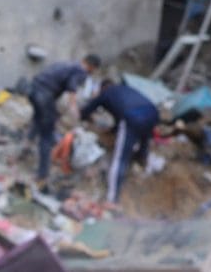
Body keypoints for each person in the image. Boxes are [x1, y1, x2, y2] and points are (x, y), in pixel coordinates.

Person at [19, 55, 99, 190]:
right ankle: (42, 176)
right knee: (47, 135)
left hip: (33, 89)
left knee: (39, 119)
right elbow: (72, 89)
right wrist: (74, 111)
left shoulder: (66, 62)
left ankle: (25, 148)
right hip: (45, 95)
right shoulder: (81, 70)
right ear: (92, 66)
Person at [79, 78, 160, 204]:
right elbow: (119, 115)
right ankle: (142, 157)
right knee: (145, 136)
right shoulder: (125, 89)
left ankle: (112, 198)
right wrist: (113, 130)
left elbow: (88, 109)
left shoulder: (106, 93)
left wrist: (83, 116)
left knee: (120, 158)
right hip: (152, 112)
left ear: (103, 88)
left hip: (133, 117)